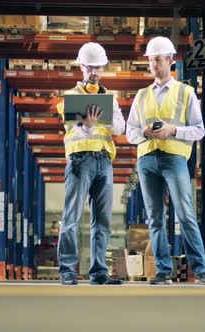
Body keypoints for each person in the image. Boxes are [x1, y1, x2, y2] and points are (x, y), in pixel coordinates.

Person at [126, 36, 205, 285]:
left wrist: (173, 131)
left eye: (157, 59)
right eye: (150, 60)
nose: (153, 64)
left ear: (170, 60)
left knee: (185, 214)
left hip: (175, 159)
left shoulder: (186, 93)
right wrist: (145, 133)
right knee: (154, 218)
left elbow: (199, 131)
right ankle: (163, 271)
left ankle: (201, 271)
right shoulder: (141, 96)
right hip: (146, 160)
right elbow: (130, 133)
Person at [57, 43, 125, 285]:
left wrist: (100, 119)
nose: (94, 72)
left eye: (98, 68)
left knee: (102, 221)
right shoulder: (70, 98)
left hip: (104, 162)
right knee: (71, 217)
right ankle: (67, 270)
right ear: (81, 67)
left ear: (103, 68)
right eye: (89, 67)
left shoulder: (110, 98)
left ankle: (99, 273)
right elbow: (73, 129)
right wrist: (87, 124)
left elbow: (120, 128)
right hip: (79, 162)